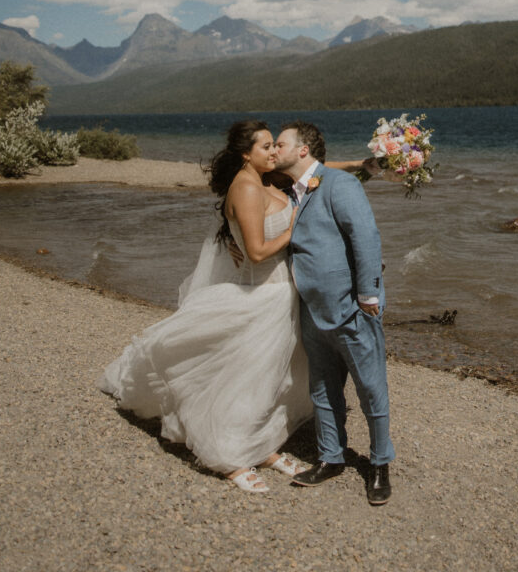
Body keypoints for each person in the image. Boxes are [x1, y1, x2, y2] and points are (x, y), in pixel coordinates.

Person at [99, 120, 312, 493]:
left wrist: (369, 165)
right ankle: (228, 455)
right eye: (265, 147)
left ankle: (262, 445)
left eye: (274, 146)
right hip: (261, 294)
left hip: (281, 294)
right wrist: (296, 225)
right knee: (245, 377)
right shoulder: (246, 186)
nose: (274, 152)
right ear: (246, 154)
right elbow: (259, 253)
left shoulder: (265, 180)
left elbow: (316, 173)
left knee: (273, 377)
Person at [275, 120, 394, 505]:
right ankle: (331, 457)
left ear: (303, 150)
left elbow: (365, 237)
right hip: (311, 309)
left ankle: (379, 464)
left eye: (280, 144)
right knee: (323, 389)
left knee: (370, 388)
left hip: (350, 309)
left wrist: (368, 296)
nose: (275, 150)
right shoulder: (289, 188)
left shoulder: (341, 185)